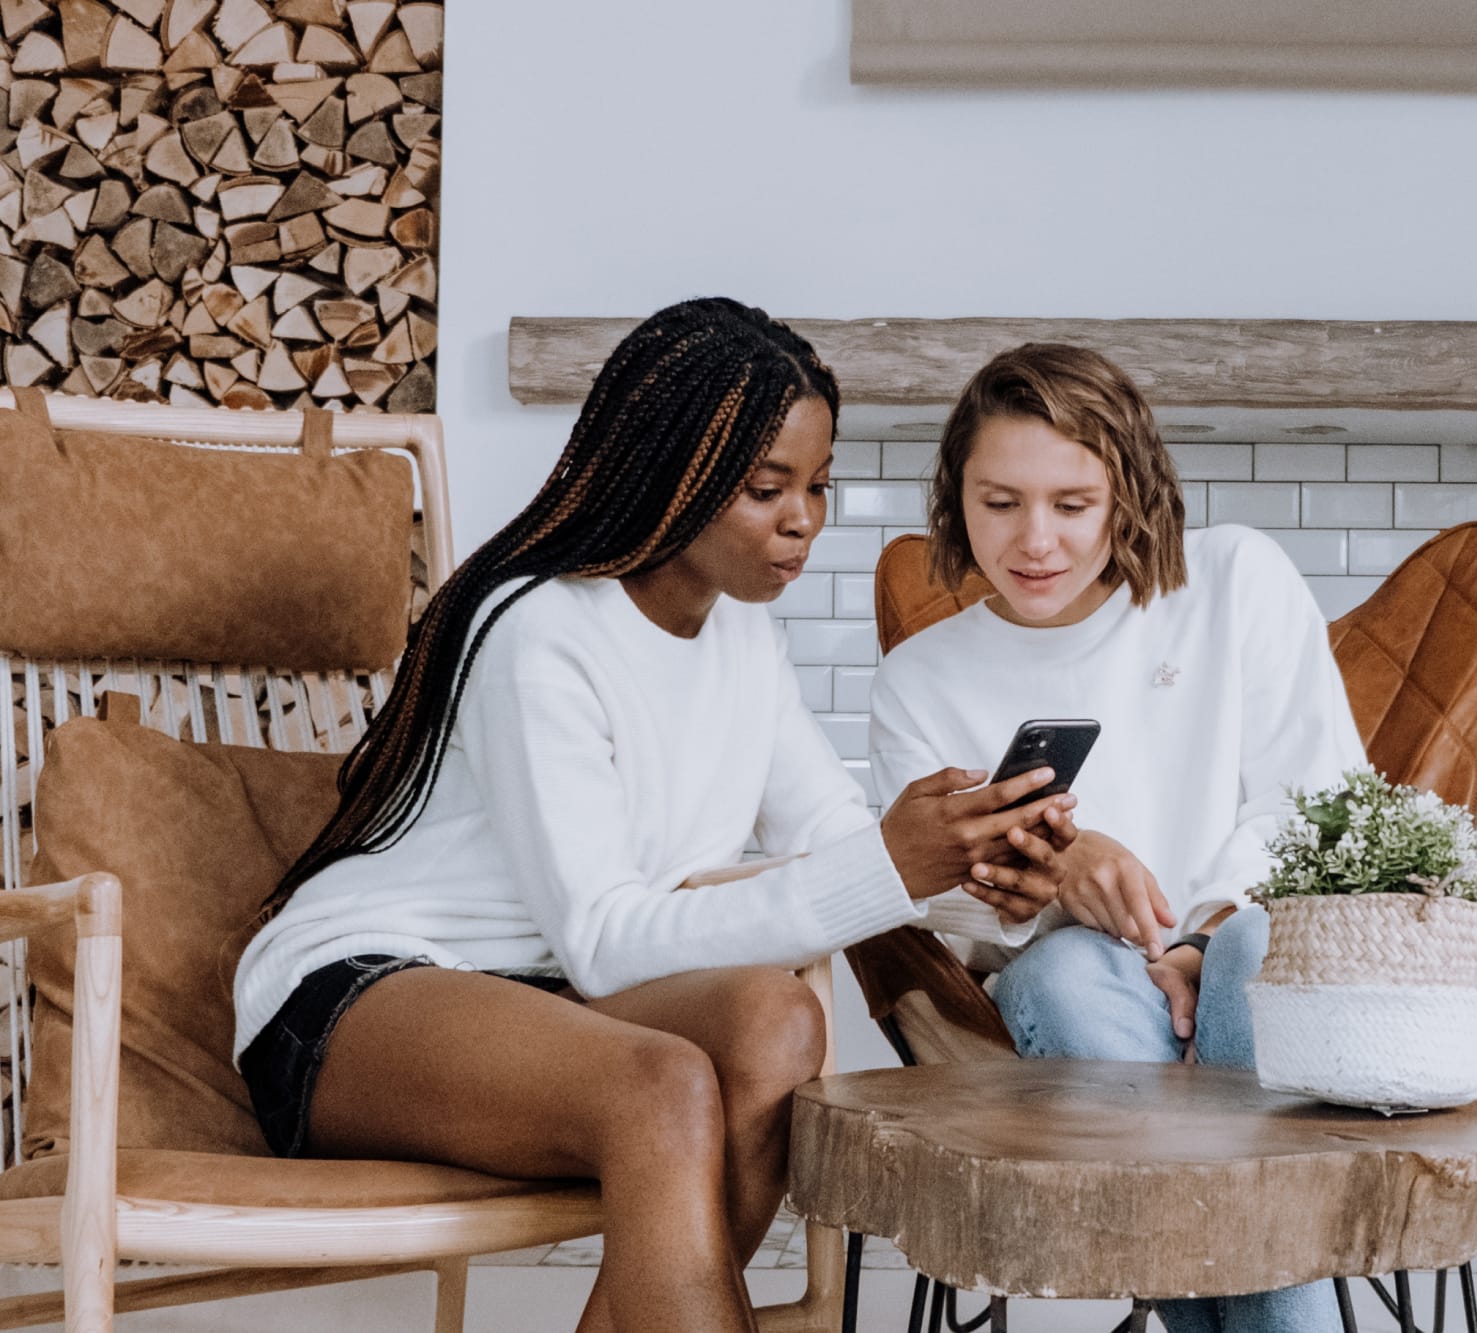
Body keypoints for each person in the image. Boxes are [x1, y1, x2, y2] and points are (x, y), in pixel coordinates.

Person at [233, 299, 1075, 1333]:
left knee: (775, 1023)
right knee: (665, 1085)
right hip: (364, 995)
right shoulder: (536, 629)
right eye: (767, 487)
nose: (802, 517)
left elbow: (837, 848)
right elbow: (604, 941)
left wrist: (978, 879)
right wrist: (893, 864)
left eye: (815, 486)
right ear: (671, 474)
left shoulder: (740, 646)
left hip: (551, 1005)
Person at [868, 343, 1368, 1333]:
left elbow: (1317, 800)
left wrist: (1197, 935)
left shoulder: (1230, 579)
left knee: (1253, 955)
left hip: (1240, 951)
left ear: (1126, 495)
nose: (1034, 541)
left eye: (1071, 503)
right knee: (1060, 976)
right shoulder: (923, 679)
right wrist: (1059, 873)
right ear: (954, 499)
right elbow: (931, 900)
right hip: (1080, 998)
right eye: (999, 501)